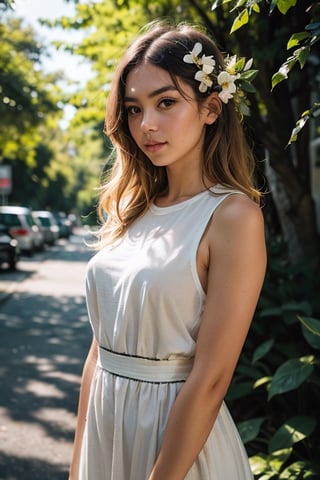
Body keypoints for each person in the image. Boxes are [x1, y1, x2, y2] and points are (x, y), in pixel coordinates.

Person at [69, 21, 267, 480]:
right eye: (134, 109)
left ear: (211, 108)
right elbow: (99, 354)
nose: (147, 125)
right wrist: (78, 464)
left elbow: (212, 378)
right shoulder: (132, 210)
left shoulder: (233, 217)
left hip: (175, 447)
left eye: (166, 102)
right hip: (106, 428)